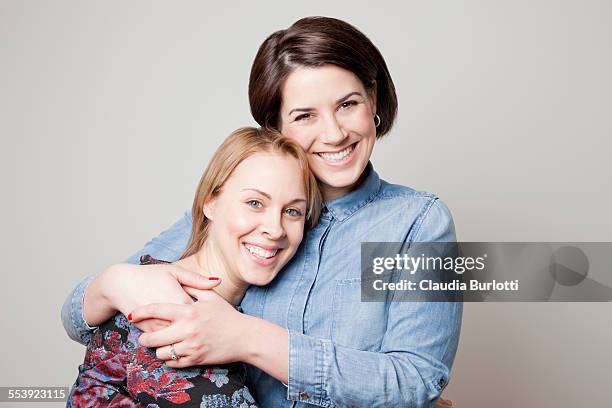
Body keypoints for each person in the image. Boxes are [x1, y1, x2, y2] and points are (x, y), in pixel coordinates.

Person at [62, 16, 462, 407]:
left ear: (372, 100)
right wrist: (113, 281)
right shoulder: (236, 216)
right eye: (305, 115)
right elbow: (84, 322)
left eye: (347, 104)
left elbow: (417, 380)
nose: (335, 133)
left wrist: (247, 337)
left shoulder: (419, 222)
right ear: (276, 126)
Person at [66, 127, 321, 407]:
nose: (275, 229)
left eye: (293, 211)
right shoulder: (156, 304)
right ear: (210, 203)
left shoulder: (231, 314)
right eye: (254, 203)